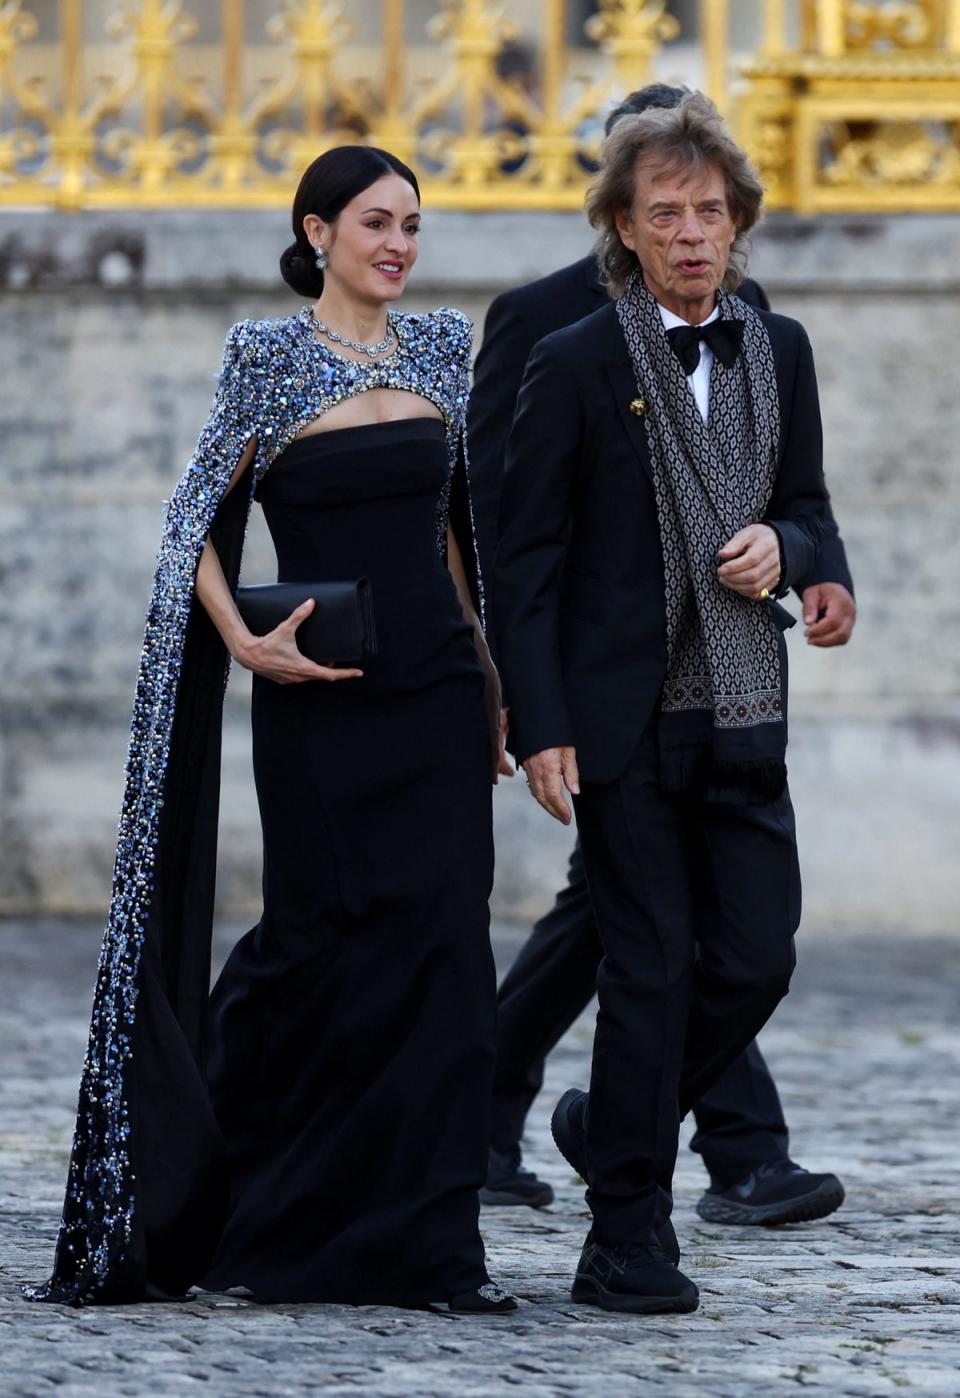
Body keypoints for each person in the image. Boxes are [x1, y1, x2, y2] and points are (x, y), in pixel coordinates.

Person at [27, 146, 516, 1314]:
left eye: (412, 225)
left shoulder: (447, 346)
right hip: (319, 699)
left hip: (439, 695)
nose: (399, 244)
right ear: (316, 234)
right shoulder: (267, 356)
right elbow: (193, 520)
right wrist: (243, 643)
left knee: (447, 955)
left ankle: (435, 1251)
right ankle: (266, 1213)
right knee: (317, 946)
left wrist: (493, 678)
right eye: (375, 223)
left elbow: (458, 538)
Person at [470, 85, 853, 1227]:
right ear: (622, 214)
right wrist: (524, 696)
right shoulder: (550, 325)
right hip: (616, 695)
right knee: (653, 946)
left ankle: (569, 1118)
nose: (691, 231)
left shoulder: (766, 332)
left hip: (738, 699)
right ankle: (713, 1164)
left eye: (709, 209)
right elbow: (509, 521)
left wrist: (795, 554)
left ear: (735, 215)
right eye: (665, 209)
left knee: (708, 946)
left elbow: (797, 494)